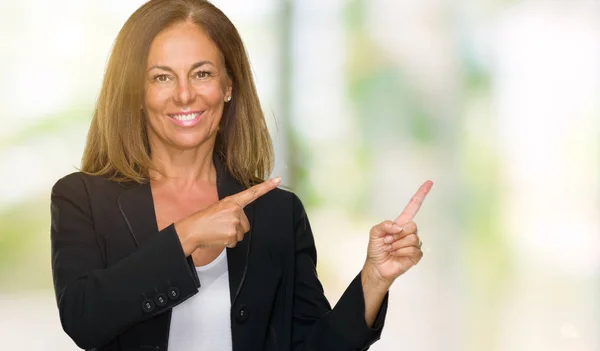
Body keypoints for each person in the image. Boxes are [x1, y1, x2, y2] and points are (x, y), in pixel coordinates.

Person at [50, 0, 433, 350]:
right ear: (136, 90)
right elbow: (84, 319)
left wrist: (374, 279)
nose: (184, 95)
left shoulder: (278, 213)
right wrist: (188, 233)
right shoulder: (81, 198)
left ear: (228, 85)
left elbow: (314, 345)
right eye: (162, 77)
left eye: (201, 73)